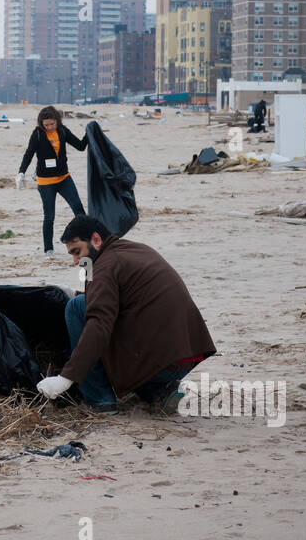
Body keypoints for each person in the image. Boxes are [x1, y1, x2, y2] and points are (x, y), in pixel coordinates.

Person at [36, 216, 217, 413]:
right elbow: (119, 299)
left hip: (159, 361)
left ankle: (99, 399)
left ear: (96, 240)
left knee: (75, 308)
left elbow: (99, 323)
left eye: (77, 252)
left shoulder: (103, 266)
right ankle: (158, 393)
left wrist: (66, 377)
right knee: (82, 302)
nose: (75, 261)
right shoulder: (135, 249)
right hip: (187, 354)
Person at [16, 106, 87, 257]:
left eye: (52, 124)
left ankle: (85, 241)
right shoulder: (37, 134)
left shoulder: (62, 130)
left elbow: (81, 146)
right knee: (49, 216)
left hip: (64, 178)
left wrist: (91, 131)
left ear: (57, 121)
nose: (49, 127)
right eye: (46, 125)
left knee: (79, 211)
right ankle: (48, 249)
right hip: (46, 182)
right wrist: (21, 172)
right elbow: (29, 154)